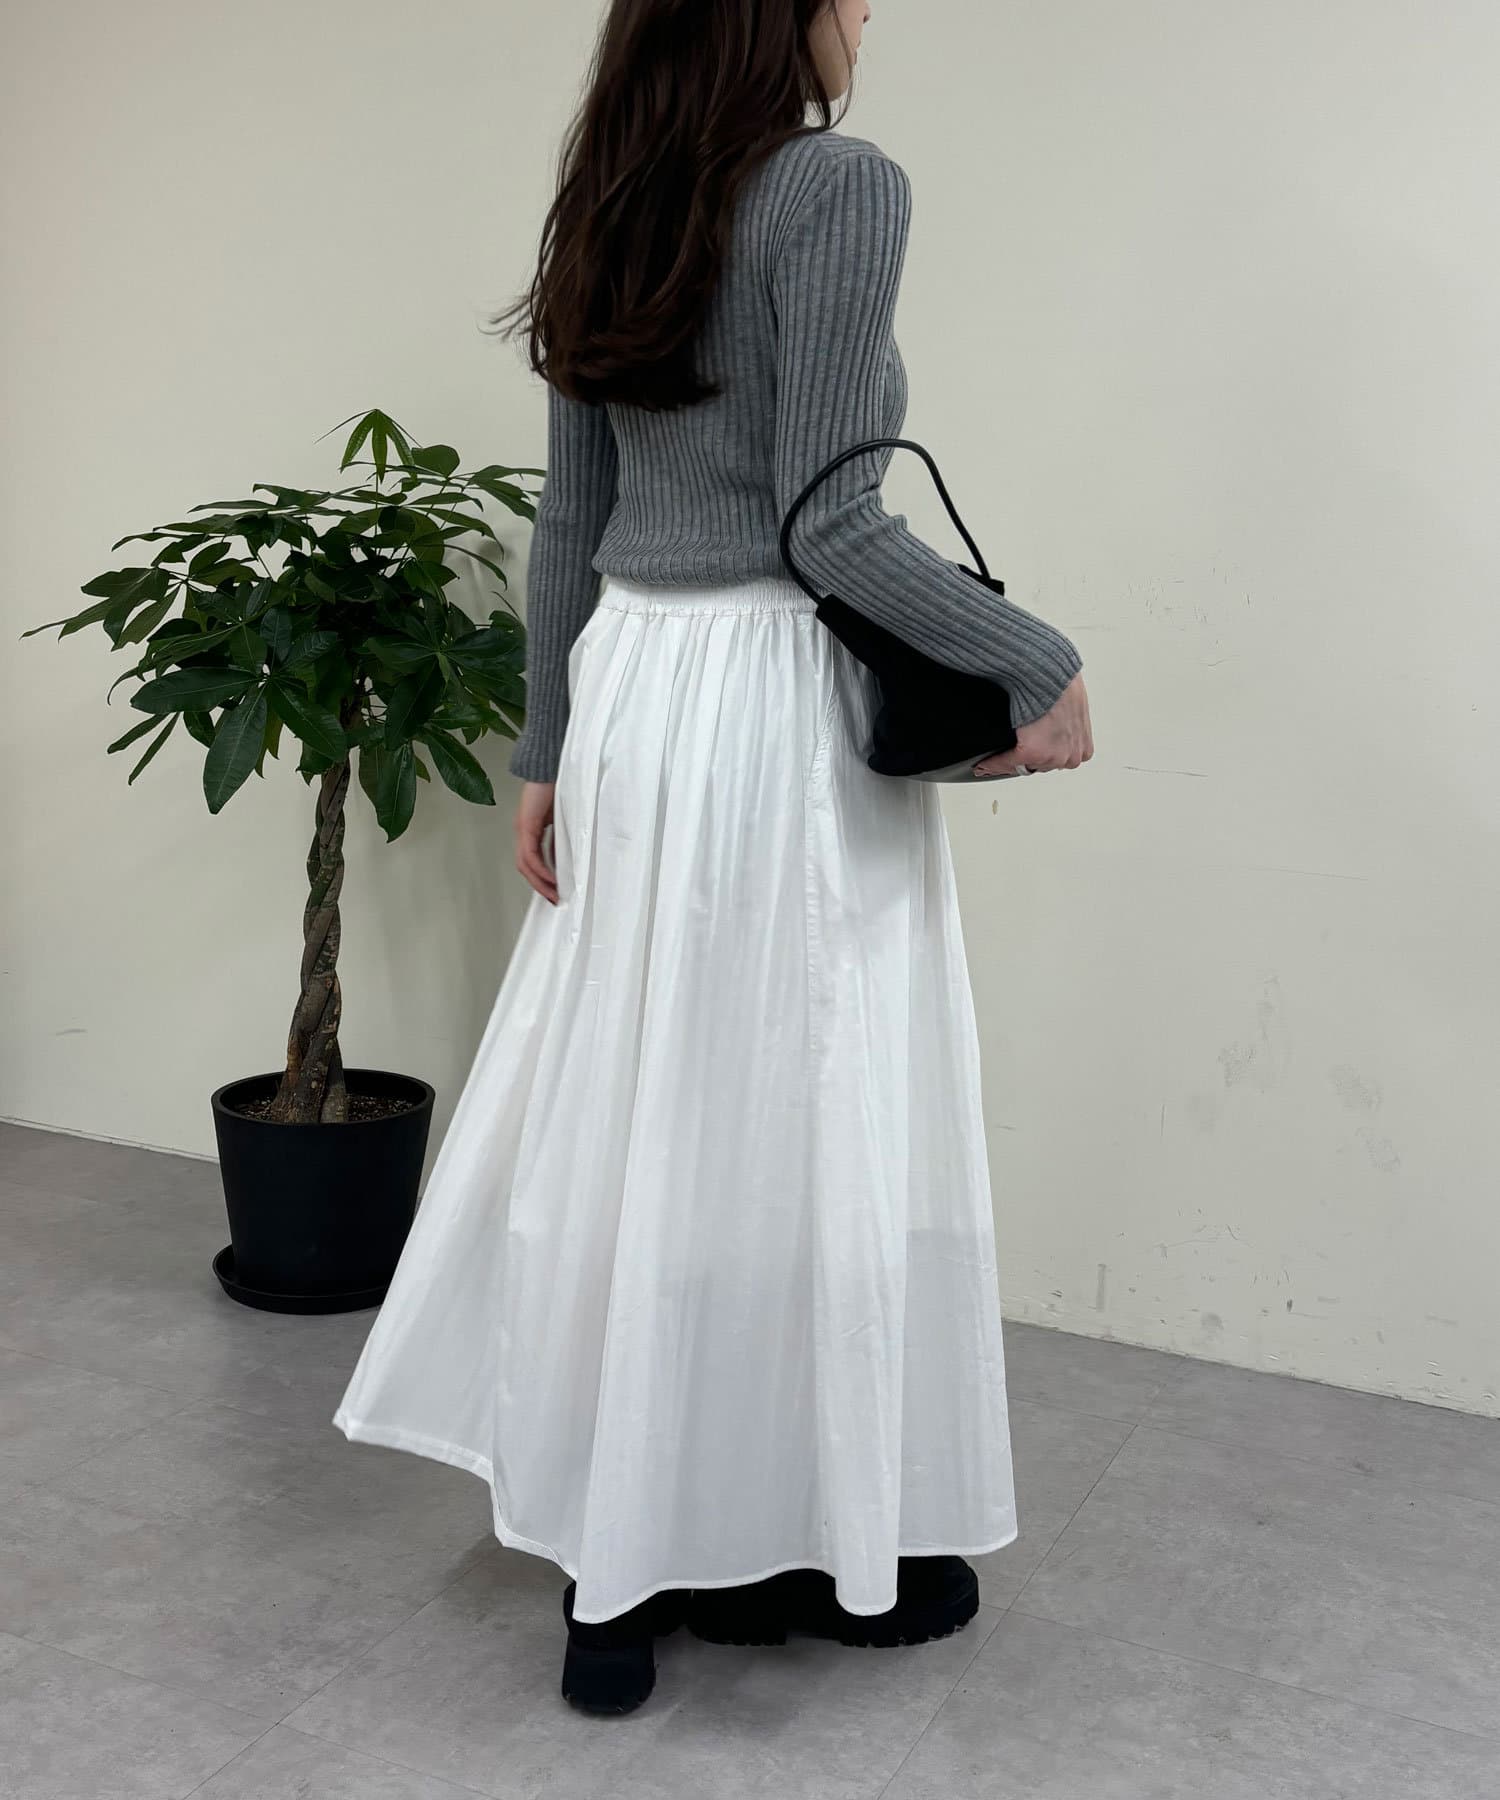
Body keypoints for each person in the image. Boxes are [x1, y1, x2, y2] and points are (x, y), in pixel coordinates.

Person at [333, 0, 1093, 1718]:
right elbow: (832, 524)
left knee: (641, 1107)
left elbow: (574, 520)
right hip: (769, 707)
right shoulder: (839, 189)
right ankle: (803, 1530)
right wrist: (1038, 659)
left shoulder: (615, 194)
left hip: (635, 688)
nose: (869, 9)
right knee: (806, 1108)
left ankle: (625, 1569)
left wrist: (547, 748)